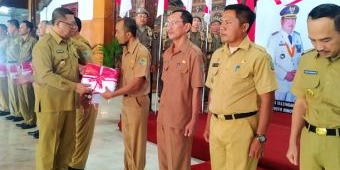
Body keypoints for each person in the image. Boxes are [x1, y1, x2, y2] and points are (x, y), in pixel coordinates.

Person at [203, 4, 278, 170]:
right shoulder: (218, 54)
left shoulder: (258, 56)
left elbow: (267, 99)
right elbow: (213, 92)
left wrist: (260, 137)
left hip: (242, 127)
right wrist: (209, 124)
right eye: (222, 22)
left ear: (244, 27)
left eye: (228, 23)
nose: (222, 27)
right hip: (217, 125)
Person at [32, 7, 91, 170]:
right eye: (70, 23)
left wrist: (79, 69)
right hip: (52, 106)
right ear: (58, 24)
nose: (74, 27)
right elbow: (46, 75)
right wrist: (75, 86)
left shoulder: (70, 44)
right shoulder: (43, 46)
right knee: (48, 151)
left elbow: (66, 66)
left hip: (69, 104)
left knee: (67, 150)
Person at [286, 4, 340, 170]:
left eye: (325, 40)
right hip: (310, 140)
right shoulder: (308, 59)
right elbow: (302, 102)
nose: (319, 47)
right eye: (313, 40)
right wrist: (292, 142)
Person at [157, 9, 204, 170]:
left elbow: (197, 90)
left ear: (186, 27)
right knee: (164, 161)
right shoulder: (167, 53)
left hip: (180, 119)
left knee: (178, 163)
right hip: (163, 116)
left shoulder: (194, 54)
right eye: (168, 23)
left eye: (174, 23)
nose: (169, 27)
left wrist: (193, 119)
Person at [102, 17, 151, 170]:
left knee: (136, 144)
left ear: (128, 34)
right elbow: (125, 76)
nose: (115, 34)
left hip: (137, 101)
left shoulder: (141, 52)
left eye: (118, 31)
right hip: (127, 102)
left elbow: (137, 83)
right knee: (128, 142)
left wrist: (113, 94)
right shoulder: (125, 51)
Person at [68, 16, 96, 170]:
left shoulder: (81, 45)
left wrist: (88, 98)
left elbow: (91, 70)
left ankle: (77, 164)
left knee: (81, 131)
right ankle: (71, 160)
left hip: (84, 94)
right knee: (73, 130)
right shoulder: (67, 44)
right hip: (72, 93)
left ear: (74, 27)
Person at [267, 5, 303, 103]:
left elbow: (302, 58)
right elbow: (269, 62)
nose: (291, 22)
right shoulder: (274, 38)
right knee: (277, 112)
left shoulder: (298, 37)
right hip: (280, 84)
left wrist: (298, 73)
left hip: (295, 84)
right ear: (281, 21)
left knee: (291, 113)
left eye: (293, 19)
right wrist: (285, 74)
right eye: (288, 19)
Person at [15, 20, 37, 129]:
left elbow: (35, 59)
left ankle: (31, 120)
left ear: (28, 29)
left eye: (22, 27)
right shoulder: (20, 41)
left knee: (29, 97)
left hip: (28, 73)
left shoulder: (33, 41)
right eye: (19, 27)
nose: (20, 28)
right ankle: (26, 118)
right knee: (22, 97)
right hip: (20, 71)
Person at [4, 19, 23, 122]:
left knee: (16, 90)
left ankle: (19, 113)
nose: (8, 29)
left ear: (14, 27)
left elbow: (21, 54)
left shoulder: (20, 39)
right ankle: (14, 111)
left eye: (9, 26)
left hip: (16, 65)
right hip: (8, 64)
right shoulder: (9, 39)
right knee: (11, 90)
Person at [0, 24, 10, 116]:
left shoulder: (7, 40)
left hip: (4, 67)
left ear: (3, 30)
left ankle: (6, 107)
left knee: (4, 88)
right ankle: (2, 106)